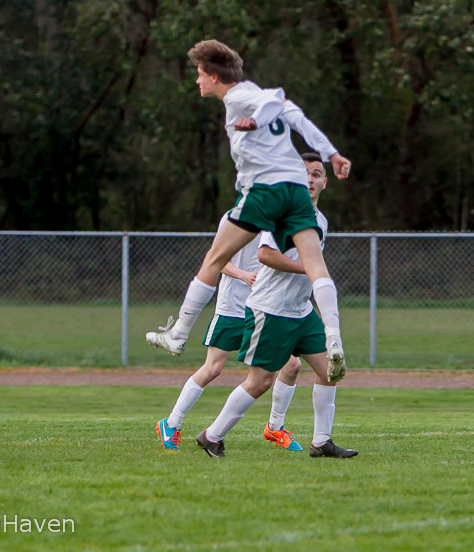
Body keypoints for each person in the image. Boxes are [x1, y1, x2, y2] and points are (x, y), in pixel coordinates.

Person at [145, 39, 352, 384]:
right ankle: (333, 337)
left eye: (199, 74)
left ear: (213, 76)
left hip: (266, 190)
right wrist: (331, 154)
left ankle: (178, 334)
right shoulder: (248, 94)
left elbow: (274, 99)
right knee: (316, 266)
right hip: (294, 192)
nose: (197, 82)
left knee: (214, 258)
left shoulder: (240, 96)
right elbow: (294, 114)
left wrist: (254, 121)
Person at [195, 152, 358, 459]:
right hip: (270, 310)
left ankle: (321, 441)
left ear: (325, 182)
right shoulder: (281, 214)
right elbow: (266, 255)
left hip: (301, 310)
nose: (309, 179)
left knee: (331, 372)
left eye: (315, 174)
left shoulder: (320, 220)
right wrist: (309, 270)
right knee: (260, 382)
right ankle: (211, 435)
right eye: (304, 174)